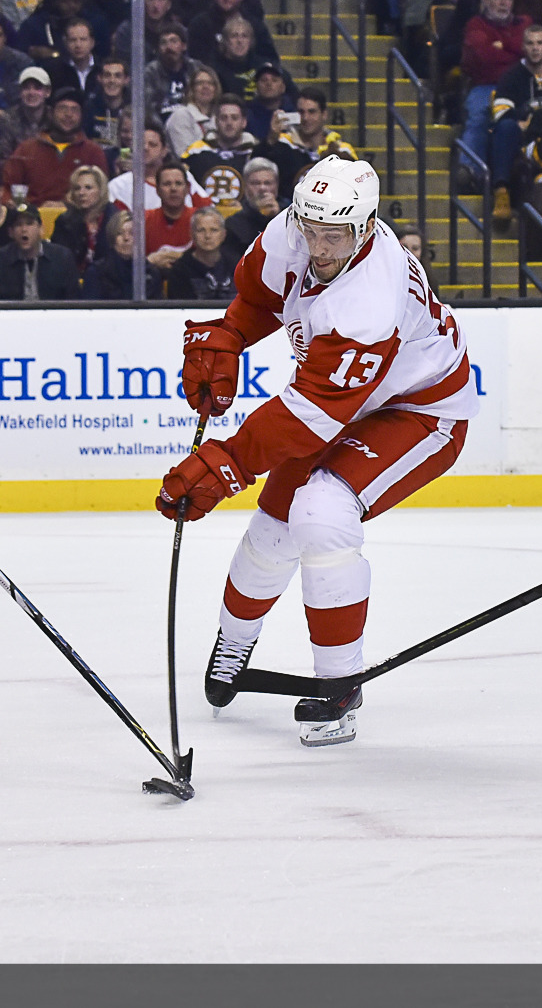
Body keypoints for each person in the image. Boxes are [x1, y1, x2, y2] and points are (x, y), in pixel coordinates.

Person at [164, 155, 475, 747]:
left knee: (321, 514)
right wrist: (229, 336)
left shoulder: (369, 300)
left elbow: (310, 415)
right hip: (344, 398)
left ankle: (339, 687)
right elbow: (260, 297)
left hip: (420, 410)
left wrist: (224, 463)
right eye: (311, 229)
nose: (320, 246)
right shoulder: (296, 229)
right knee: (273, 529)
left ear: (366, 226)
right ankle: (233, 641)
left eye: (336, 235)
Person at [0, 203, 78, 301]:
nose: (24, 230)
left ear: (41, 229)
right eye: (18, 225)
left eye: (29, 223)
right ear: (10, 232)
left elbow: (72, 300)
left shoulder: (62, 257)